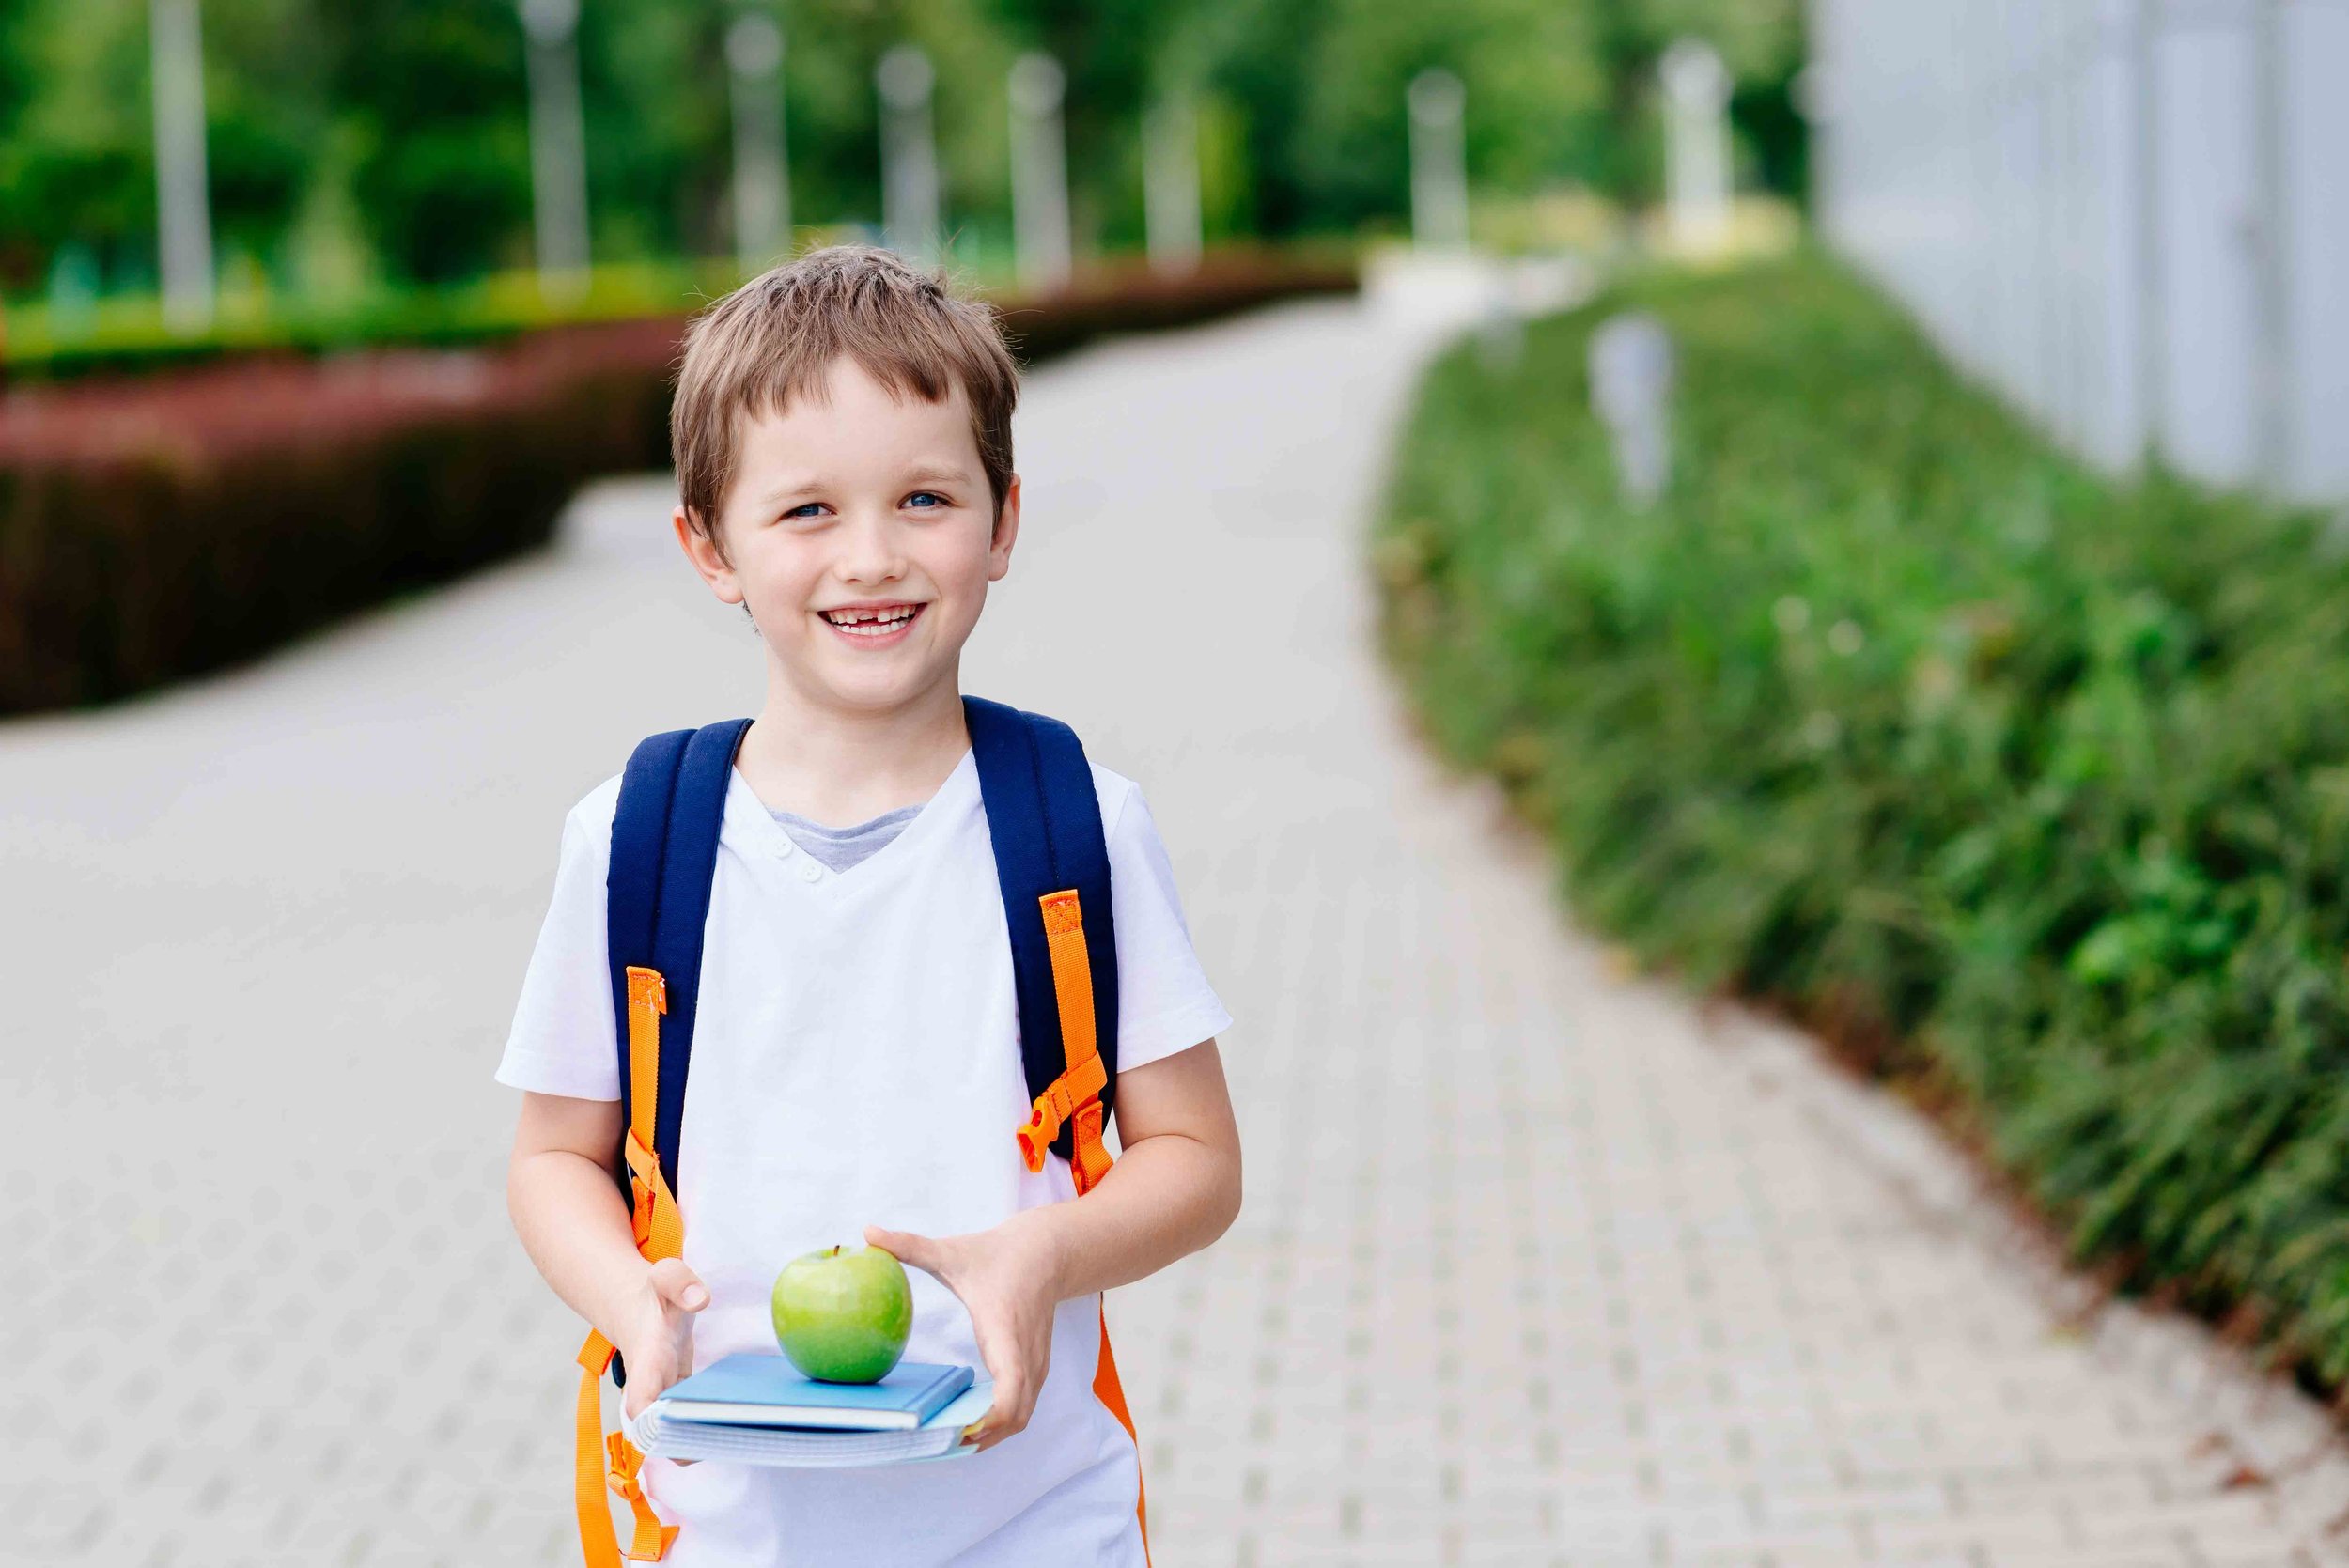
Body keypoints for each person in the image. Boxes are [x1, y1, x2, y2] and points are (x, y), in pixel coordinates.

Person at [497, 244, 1243, 1566]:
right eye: (807, 513)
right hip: (723, 1528)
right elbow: (557, 1154)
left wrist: (1046, 1253)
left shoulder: (1076, 823)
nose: (874, 556)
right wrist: (630, 1301)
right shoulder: (635, 835)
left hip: (1032, 1521)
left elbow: (1195, 1161)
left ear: (1003, 519)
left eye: (923, 496)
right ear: (708, 547)